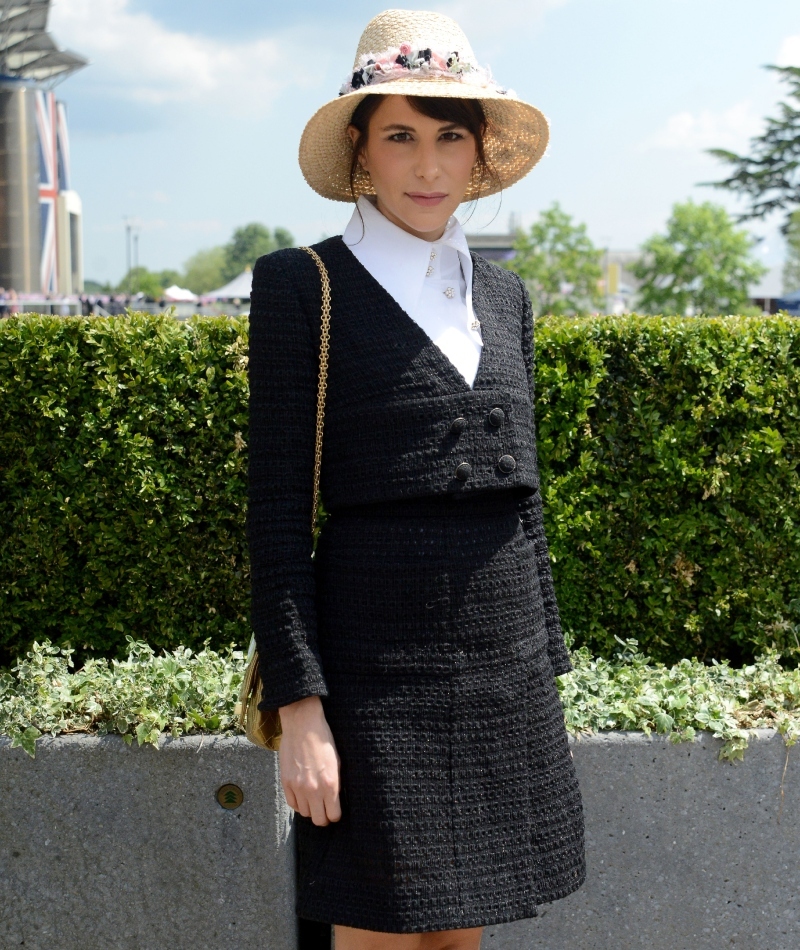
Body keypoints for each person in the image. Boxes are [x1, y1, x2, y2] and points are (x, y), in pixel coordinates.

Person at [248, 10, 585, 949]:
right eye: (400, 135)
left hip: (501, 679)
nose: (428, 166)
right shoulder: (302, 285)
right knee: (379, 935)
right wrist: (300, 709)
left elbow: (526, 507)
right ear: (361, 147)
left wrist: (546, 671)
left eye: (449, 136)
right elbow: (276, 520)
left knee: (459, 940)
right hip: (372, 684)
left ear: (478, 151)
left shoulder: (504, 296)